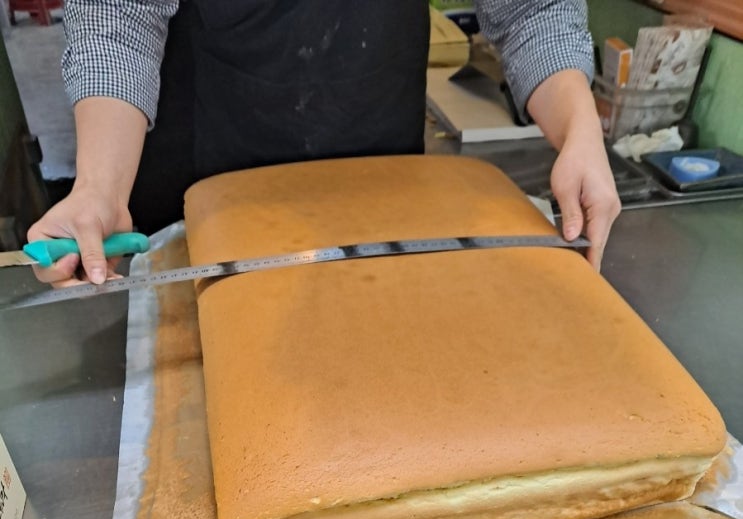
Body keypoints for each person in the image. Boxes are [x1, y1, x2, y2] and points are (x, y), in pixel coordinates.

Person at [29, 0, 620, 287]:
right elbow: (118, 19)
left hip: (379, 183)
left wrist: (580, 130)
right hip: (204, 176)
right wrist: (99, 188)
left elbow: (531, 10)